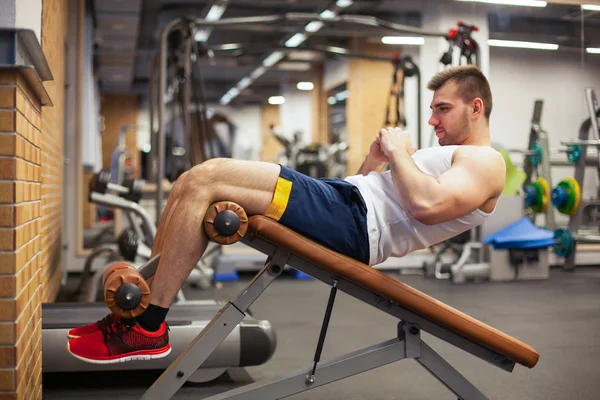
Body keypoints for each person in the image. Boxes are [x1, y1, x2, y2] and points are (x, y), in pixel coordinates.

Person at [66, 65, 506, 363]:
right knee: (193, 182)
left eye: (442, 108)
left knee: (205, 179)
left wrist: (397, 152)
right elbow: (373, 194)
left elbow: (426, 208)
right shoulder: (448, 154)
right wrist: (375, 162)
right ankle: (139, 307)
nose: (432, 119)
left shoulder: (487, 162)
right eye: (432, 109)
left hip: (353, 222)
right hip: (347, 205)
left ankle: (146, 328)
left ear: (476, 107)